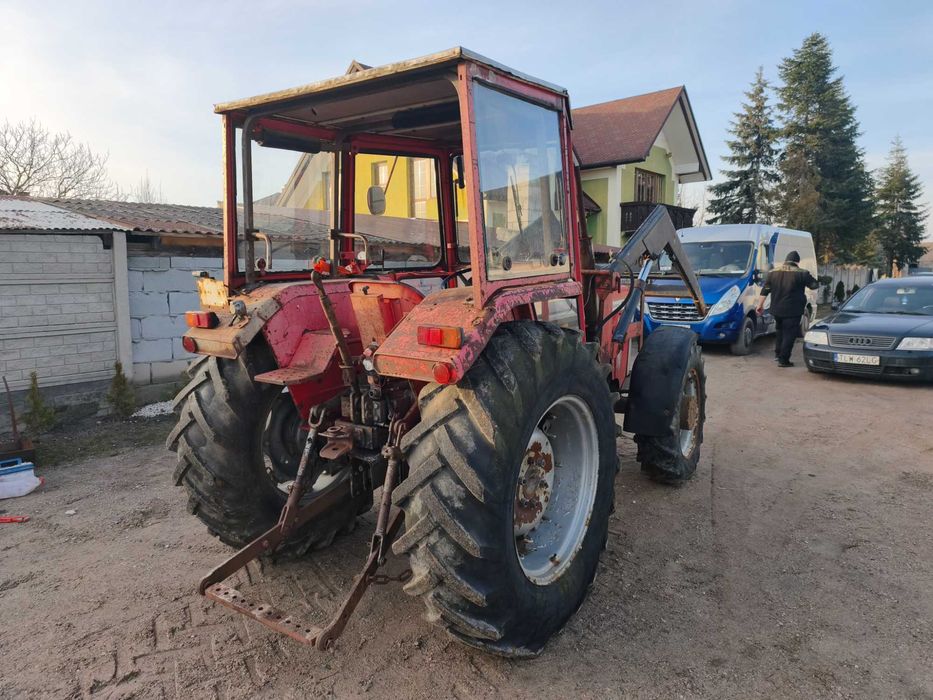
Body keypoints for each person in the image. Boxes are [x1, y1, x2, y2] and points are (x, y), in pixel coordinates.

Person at [756, 251, 819, 367]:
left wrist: (759, 305)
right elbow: (814, 285)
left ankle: (778, 354)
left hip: (777, 309)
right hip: (793, 310)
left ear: (786, 260)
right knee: (789, 335)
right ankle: (783, 360)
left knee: (780, 331)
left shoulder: (773, 273)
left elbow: (765, 290)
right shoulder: (802, 273)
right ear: (797, 262)